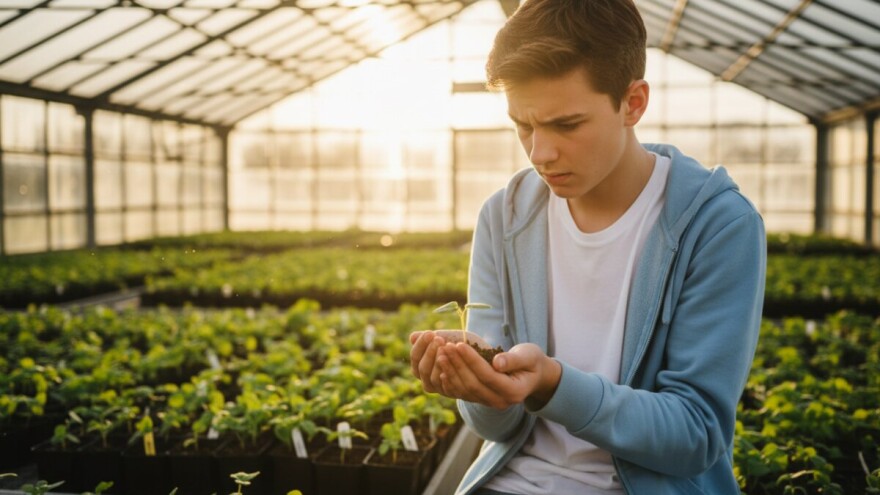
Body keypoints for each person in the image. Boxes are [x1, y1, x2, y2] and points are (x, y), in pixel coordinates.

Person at [409, 0, 767, 494]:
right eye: (523, 126)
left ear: (633, 103)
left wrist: (554, 384)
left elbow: (695, 435)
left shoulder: (718, 226)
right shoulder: (504, 217)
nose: (540, 153)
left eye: (566, 125)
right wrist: (481, 390)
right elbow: (495, 430)